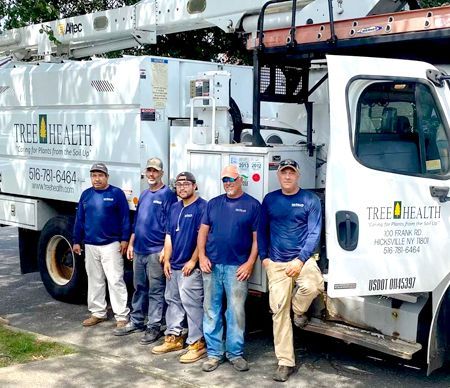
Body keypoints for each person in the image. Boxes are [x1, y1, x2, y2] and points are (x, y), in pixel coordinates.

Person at [258, 158, 324, 382]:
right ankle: (285, 362)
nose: (287, 176)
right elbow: (262, 229)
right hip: (276, 263)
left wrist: (301, 259)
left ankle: (298, 311)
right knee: (279, 313)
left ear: (298, 175)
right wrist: (264, 258)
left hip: (302, 261)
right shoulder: (270, 200)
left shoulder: (310, 199)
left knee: (314, 286)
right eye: (283, 172)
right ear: (278, 175)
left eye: (291, 173)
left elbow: (314, 233)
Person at [198, 165, 260, 373]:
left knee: (235, 312)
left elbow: (257, 239)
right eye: (224, 180)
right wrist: (201, 256)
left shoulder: (252, 205)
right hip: (212, 265)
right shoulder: (214, 204)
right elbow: (203, 233)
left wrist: (250, 263)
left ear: (240, 180)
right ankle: (214, 354)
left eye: (231, 179)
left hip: (237, 268)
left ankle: (235, 354)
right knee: (211, 310)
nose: (228, 184)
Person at [113, 157, 177, 343]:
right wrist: (132, 243)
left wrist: (166, 251)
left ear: (162, 174)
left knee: (156, 290)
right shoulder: (144, 194)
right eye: (149, 170)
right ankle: (137, 321)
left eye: (155, 171)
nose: (151, 174)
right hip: (139, 250)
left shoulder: (167, 195)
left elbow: (170, 226)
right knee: (139, 287)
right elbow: (137, 222)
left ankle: (154, 326)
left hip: (156, 251)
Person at [152, 171, 207, 363]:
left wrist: (193, 261)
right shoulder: (174, 207)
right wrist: (166, 260)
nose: (182, 187)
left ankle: (197, 343)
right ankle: (174, 337)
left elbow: (203, 238)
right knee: (172, 300)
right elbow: (168, 236)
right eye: (179, 184)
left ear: (195, 186)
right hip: (173, 265)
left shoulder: (202, 207)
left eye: (186, 183)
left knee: (192, 304)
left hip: (190, 267)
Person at [73, 162, 130, 328]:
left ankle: (121, 315)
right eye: (93, 175)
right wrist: (77, 241)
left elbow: (125, 218)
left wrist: (124, 239)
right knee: (95, 279)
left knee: (115, 280)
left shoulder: (116, 193)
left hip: (111, 244)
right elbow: (80, 220)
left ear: (107, 177)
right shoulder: (86, 195)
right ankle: (98, 313)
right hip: (90, 244)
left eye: (100, 175)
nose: (96, 179)